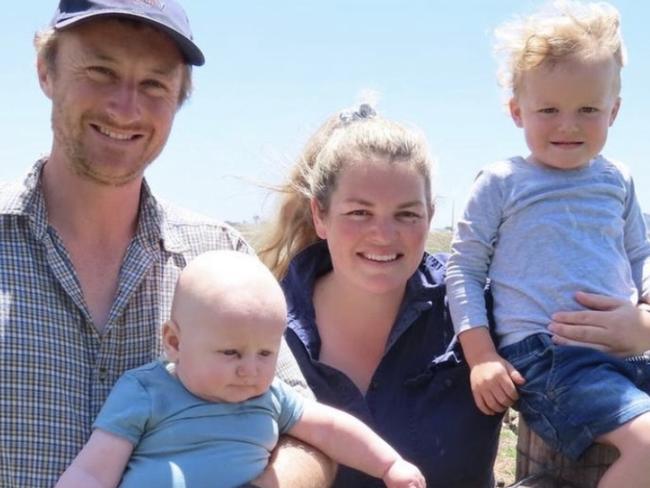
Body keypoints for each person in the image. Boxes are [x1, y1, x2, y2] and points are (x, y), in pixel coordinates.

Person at [0, 1, 333, 487]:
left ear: (179, 98)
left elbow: (307, 435)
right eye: (100, 70)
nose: (126, 106)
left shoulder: (221, 257)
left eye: (154, 83)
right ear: (45, 71)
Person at [445, 2, 650, 487]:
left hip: (625, 347)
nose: (568, 126)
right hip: (549, 356)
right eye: (549, 110)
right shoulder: (503, 181)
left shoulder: (617, 180)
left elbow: (642, 254)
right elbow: (465, 269)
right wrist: (482, 357)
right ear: (518, 112)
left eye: (587, 110)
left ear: (614, 111)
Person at [255, 102, 504, 488]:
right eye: (359, 213)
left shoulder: (475, 310)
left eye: (406, 214)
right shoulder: (260, 325)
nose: (384, 235)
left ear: (431, 215)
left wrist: (632, 325)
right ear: (320, 215)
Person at [56, 250, 426, 488]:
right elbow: (93, 471)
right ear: (174, 342)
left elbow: (330, 429)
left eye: (266, 353)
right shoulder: (146, 391)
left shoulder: (271, 396)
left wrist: (389, 464)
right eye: (231, 353)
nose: (250, 370)